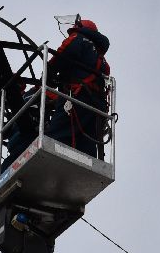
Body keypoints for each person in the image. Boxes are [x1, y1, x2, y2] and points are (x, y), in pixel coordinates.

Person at [42, 17, 112, 158]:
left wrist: (48, 73)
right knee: (86, 147)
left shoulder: (78, 39)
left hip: (75, 97)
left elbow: (62, 54)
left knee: (54, 136)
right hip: (96, 108)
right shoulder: (100, 57)